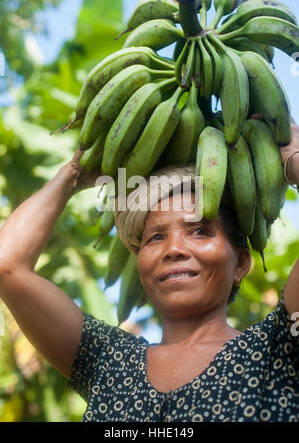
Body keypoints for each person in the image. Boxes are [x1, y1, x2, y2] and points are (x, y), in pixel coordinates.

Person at [0, 116, 298, 422]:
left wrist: (292, 156)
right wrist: (74, 173)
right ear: (141, 266)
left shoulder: (278, 348)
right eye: (156, 237)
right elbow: (8, 264)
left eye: (199, 231)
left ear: (241, 263)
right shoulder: (108, 361)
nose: (174, 249)